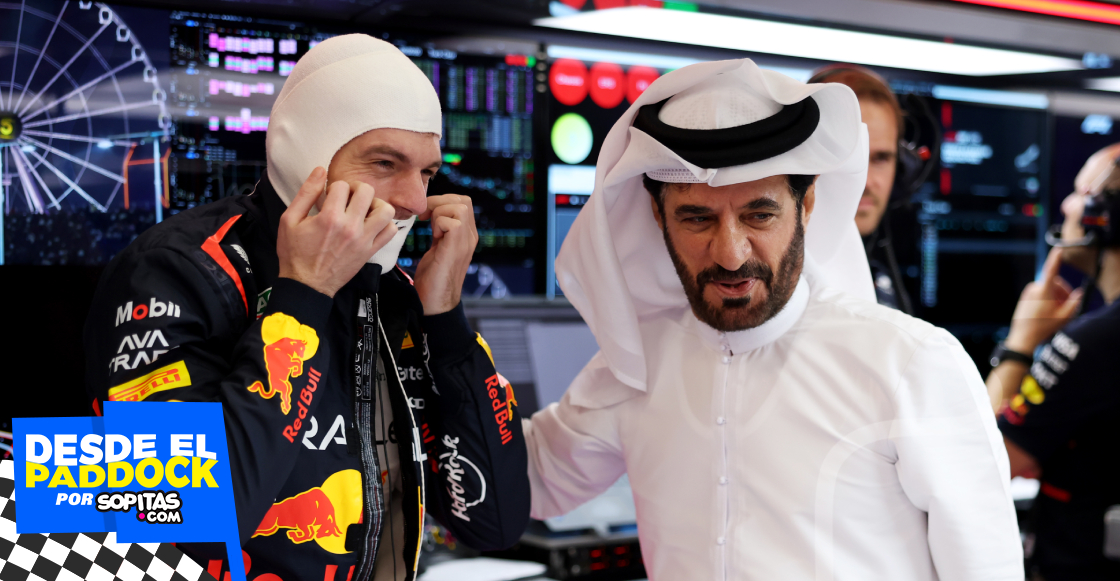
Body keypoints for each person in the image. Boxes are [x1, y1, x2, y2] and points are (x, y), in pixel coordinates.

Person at [524, 59, 1023, 580]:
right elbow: (531, 482)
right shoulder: (639, 363)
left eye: (759, 215)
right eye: (697, 218)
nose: (731, 254)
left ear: (807, 204)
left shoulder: (911, 364)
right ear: (658, 215)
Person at [84, 35, 530, 581]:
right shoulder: (170, 269)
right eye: (385, 162)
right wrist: (303, 297)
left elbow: (495, 524)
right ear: (306, 156)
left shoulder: (394, 294)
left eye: (427, 173)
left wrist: (446, 320)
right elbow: (173, 515)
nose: (415, 201)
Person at [986, 144, 1120, 581]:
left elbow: (984, 460)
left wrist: (1020, 343)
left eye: (1081, 193)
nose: (1066, 205)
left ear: (1106, 216)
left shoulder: (1095, 343)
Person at [809, 65, 917, 312]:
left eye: (880, 159)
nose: (866, 182)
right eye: (849, 158)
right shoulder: (784, 291)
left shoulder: (879, 280)